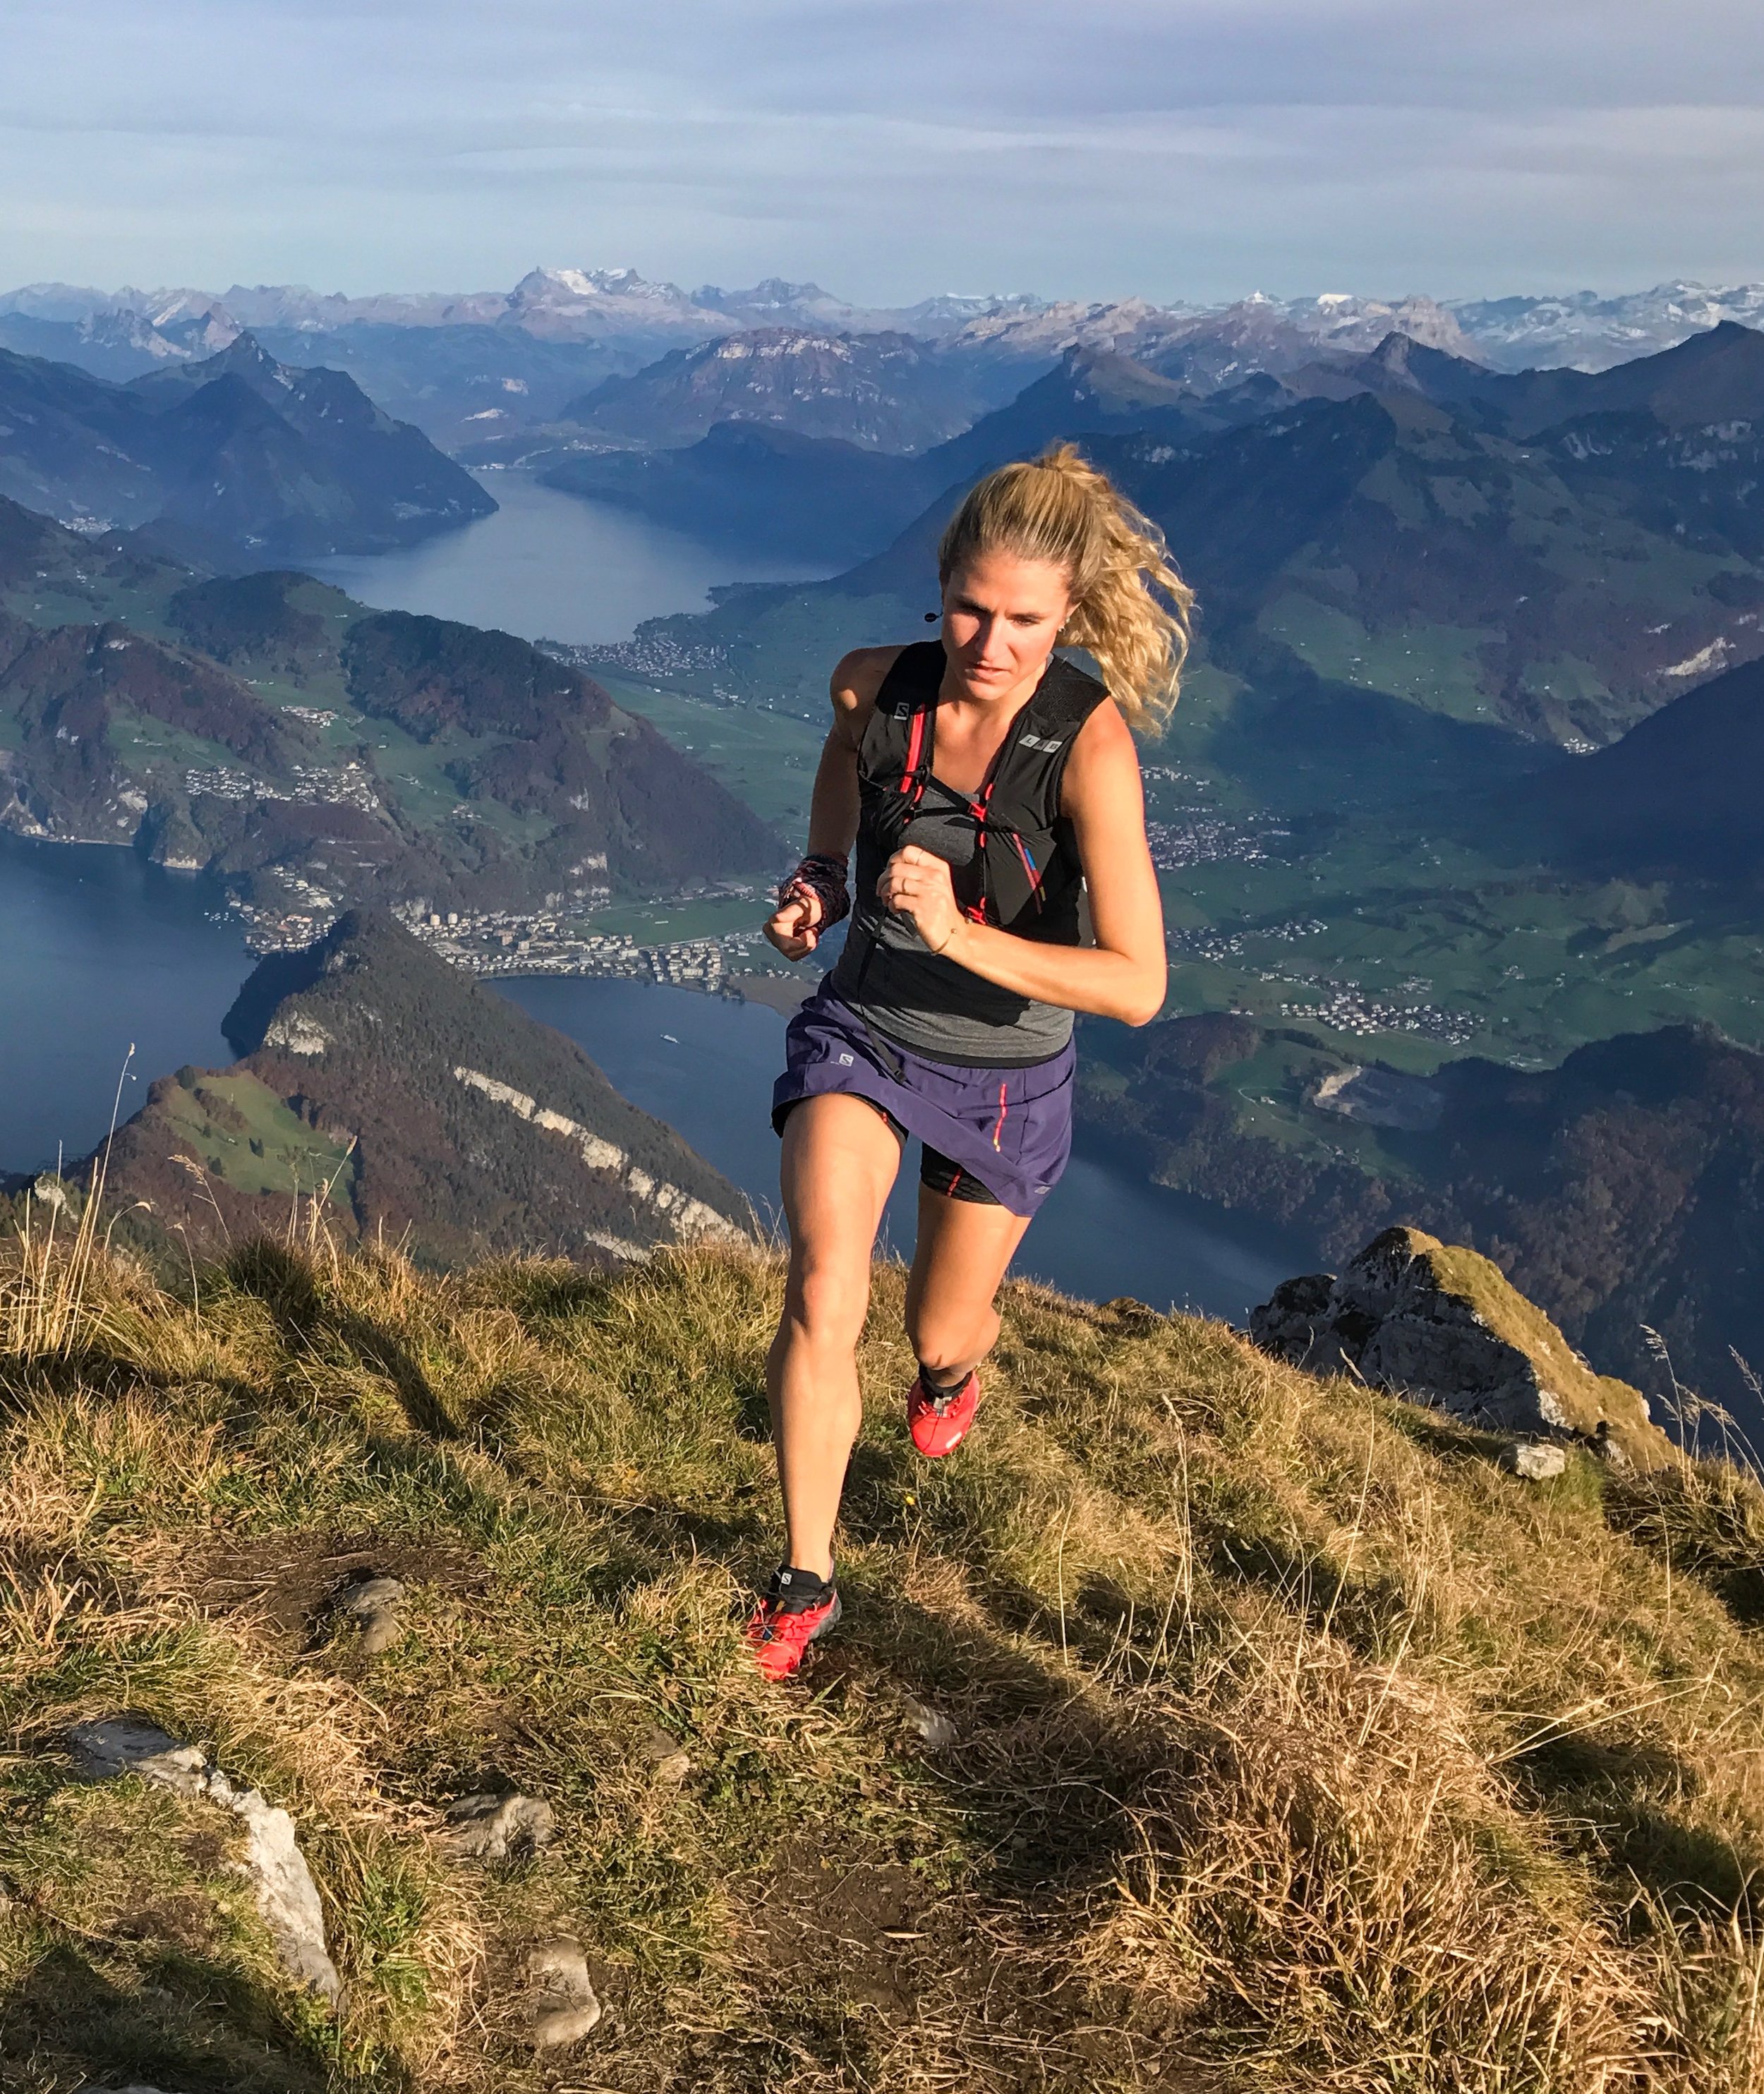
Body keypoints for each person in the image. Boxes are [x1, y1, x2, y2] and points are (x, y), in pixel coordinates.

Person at [745, 443, 1192, 1680]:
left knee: (941, 1324)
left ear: (1074, 615)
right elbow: (842, 777)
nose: (990, 644)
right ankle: (805, 1580)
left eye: (1027, 621)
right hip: (867, 1026)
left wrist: (963, 932)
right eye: (969, 609)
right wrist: (820, 880)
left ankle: (948, 1374)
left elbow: (1139, 985)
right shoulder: (870, 689)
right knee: (825, 1286)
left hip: (1004, 1076)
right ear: (938, 586)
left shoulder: (1088, 748)